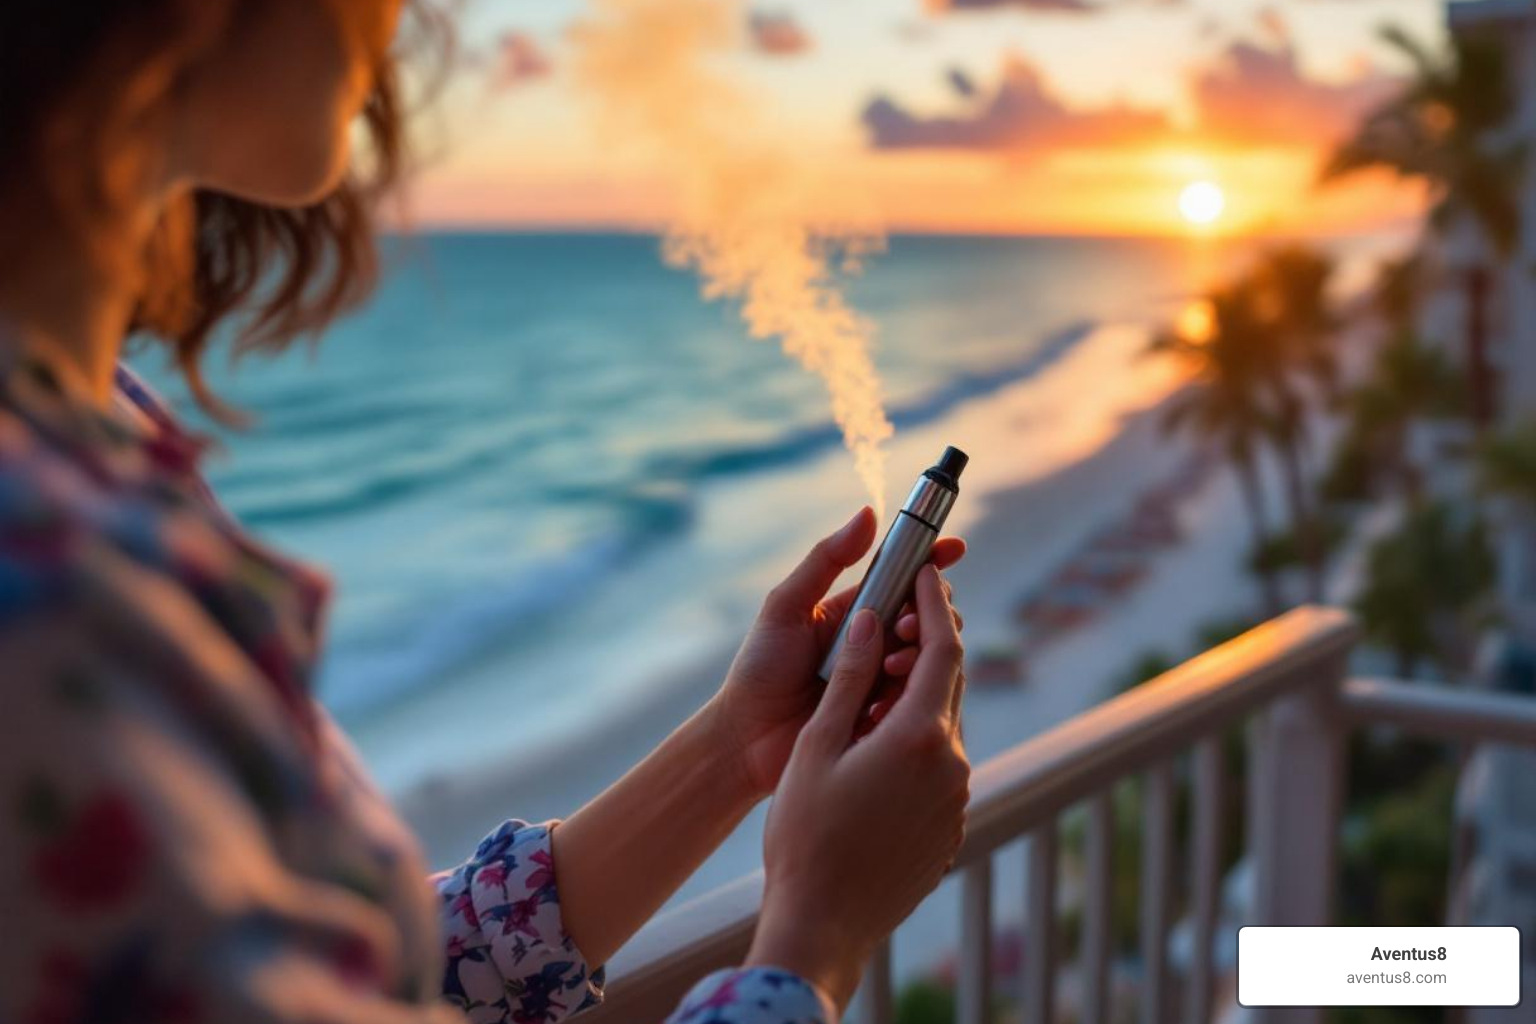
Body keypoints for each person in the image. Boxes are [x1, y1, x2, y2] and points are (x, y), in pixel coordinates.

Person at [0, 4, 972, 1024]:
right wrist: (816, 936)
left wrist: (736, 750)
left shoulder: (97, 431)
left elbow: (390, 980)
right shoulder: (49, 583)